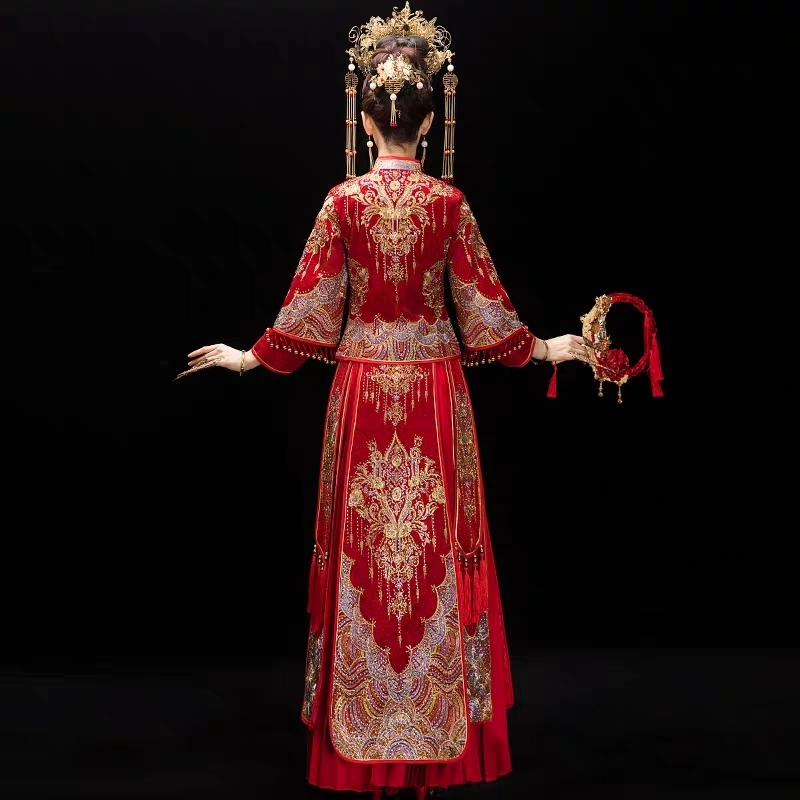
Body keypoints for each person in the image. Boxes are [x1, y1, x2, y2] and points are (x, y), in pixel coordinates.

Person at [184, 16, 588, 800]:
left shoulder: (342, 204)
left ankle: (365, 745)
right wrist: (546, 349)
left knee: (364, 554)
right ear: (429, 123)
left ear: (366, 121)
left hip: (361, 389)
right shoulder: (449, 203)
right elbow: (487, 316)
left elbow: (310, 309)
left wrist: (250, 358)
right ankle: (435, 745)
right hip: (436, 391)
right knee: (436, 549)